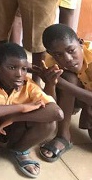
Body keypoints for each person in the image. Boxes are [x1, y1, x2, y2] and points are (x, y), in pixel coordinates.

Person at [0, 43, 61, 178]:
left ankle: (20, 150)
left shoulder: (29, 85)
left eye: (24, 69)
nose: (19, 74)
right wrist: (22, 107)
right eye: (12, 68)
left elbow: (56, 113)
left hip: (15, 131)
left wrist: (13, 118)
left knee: (50, 124)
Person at [35, 24, 92, 162]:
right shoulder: (51, 62)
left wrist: (61, 84)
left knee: (65, 81)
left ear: (80, 42)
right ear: (50, 53)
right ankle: (63, 136)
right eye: (58, 54)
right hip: (84, 94)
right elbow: (51, 104)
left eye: (71, 50)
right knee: (68, 77)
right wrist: (51, 83)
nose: (67, 58)